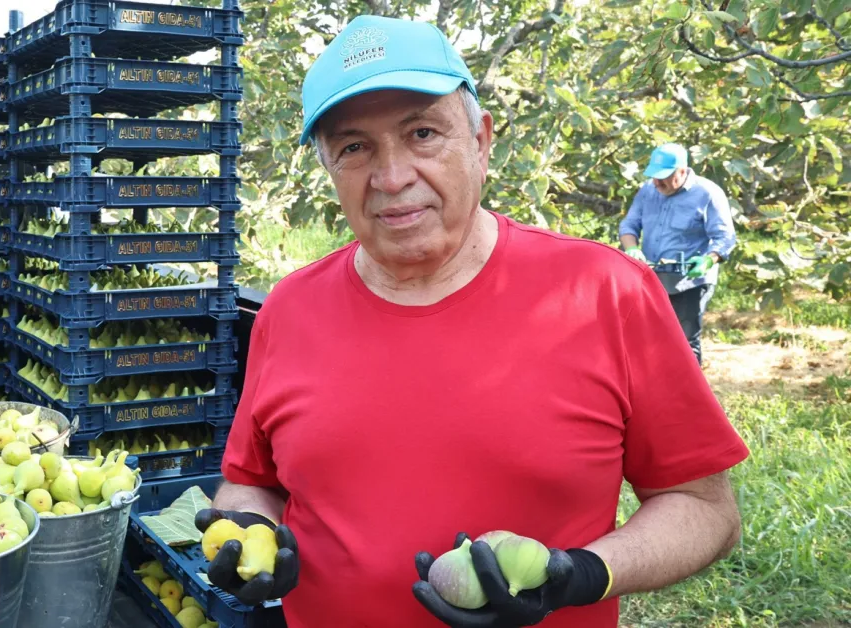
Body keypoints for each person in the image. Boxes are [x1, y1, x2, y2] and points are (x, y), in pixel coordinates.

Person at [193, 14, 750, 628]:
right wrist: (246, 527)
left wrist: (584, 573)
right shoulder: (289, 309)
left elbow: (704, 508)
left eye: (423, 133)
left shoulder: (604, 293)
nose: (392, 177)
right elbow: (252, 482)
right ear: (329, 167)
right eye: (354, 147)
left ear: (482, 140)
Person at [617, 143, 737, 365]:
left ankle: (689, 395)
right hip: (652, 279)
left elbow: (725, 238)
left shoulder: (708, 193)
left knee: (684, 342)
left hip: (689, 283)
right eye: (654, 176)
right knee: (647, 338)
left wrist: (707, 260)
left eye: (663, 177)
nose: (657, 182)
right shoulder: (647, 191)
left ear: (682, 171)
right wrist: (632, 248)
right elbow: (629, 225)